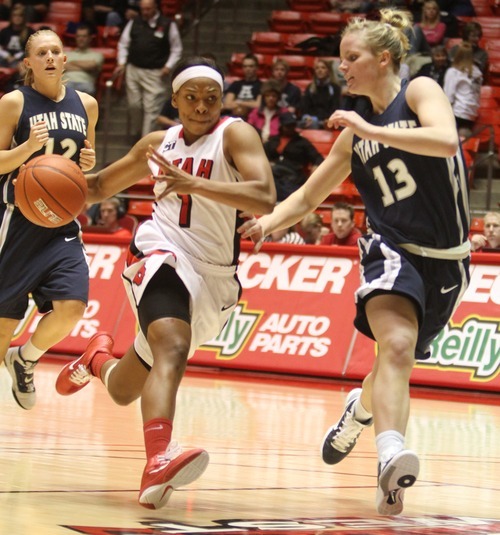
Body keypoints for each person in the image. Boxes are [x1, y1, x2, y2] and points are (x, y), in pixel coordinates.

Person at [238, 8, 470, 516]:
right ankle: (390, 456)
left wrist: (371, 128)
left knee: (396, 361)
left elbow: (446, 140)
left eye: (351, 58)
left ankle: (359, 409)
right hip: (391, 248)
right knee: (399, 343)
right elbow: (306, 198)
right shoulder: (353, 135)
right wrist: (269, 222)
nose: (342, 67)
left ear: (383, 57)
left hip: (449, 260)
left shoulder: (419, 91)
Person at [55, 57, 276, 510]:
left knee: (122, 390)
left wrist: (192, 182)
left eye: (210, 98)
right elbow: (96, 190)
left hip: (213, 277)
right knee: (173, 347)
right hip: (160, 251)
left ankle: (98, 359)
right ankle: (158, 460)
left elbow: (263, 195)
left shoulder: (235, 134)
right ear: (173, 100)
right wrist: (48, 171)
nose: (201, 106)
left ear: (222, 101)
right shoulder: (158, 144)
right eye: (191, 98)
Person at [0, 29, 98, 411]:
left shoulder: (86, 104)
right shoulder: (13, 102)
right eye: (42, 53)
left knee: (72, 307)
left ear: (65, 59)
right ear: (28, 63)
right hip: (17, 224)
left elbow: (79, 165)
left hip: (61, 226)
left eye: (56, 51)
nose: (51, 58)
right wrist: (25, 150)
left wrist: (88, 165)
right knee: (3, 330)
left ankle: (26, 358)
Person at [115, 0, 183, 137]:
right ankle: (140, 133)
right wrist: (121, 62)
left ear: (155, 8)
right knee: (134, 105)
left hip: (156, 73)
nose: (145, 12)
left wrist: (168, 67)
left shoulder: (168, 24)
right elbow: (123, 44)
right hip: (134, 70)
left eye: (148, 9)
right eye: (143, 9)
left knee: (151, 109)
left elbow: (177, 49)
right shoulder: (134, 22)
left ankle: (146, 139)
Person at [263, 112, 324, 201]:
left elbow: (318, 158)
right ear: (282, 126)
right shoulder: (273, 140)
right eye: (288, 126)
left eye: (292, 125)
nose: (290, 129)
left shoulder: (302, 142)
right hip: (273, 175)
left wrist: (315, 169)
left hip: (293, 177)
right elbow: (260, 156)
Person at [443, 41, 482, 138]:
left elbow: (448, 96)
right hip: (471, 113)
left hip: (458, 112)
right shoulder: (478, 72)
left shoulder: (454, 72)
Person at [298, 58, 342, 130]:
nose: (320, 70)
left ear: (328, 71)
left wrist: (328, 119)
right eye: (317, 68)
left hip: (328, 119)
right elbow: (305, 107)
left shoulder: (335, 88)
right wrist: (307, 117)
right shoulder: (310, 88)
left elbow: (335, 107)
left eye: (323, 68)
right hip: (312, 119)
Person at [64, 23, 104, 97]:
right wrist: (84, 68)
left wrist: (72, 62)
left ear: (90, 38)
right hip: (67, 84)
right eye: (78, 36)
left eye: (84, 36)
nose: (81, 39)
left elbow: (92, 66)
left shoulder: (97, 55)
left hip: (85, 84)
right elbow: (61, 67)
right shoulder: (67, 54)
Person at [222, 53, 262, 120]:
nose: (248, 69)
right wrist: (250, 103)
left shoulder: (262, 85)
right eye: (245, 66)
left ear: (257, 67)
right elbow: (227, 104)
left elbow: (258, 105)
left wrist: (239, 102)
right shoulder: (236, 84)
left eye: (251, 66)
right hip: (234, 116)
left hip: (253, 117)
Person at [246, 79, 287, 143]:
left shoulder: (284, 112)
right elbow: (248, 128)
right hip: (257, 142)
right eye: (268, 96)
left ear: (278, 97)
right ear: (264, 97)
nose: (271, 98)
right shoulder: (256, 112)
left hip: (275, 143)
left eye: (274, 96)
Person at [0, 5, 34, 69]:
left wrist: (15, 57)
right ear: (11, 18)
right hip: (5, 58)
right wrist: (7, 56)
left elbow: (30, 50)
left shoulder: (30, 32)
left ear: (24, 18)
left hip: (21, 59)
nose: (17, 18)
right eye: (14, 15)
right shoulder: (5, 31)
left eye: (20, 16)